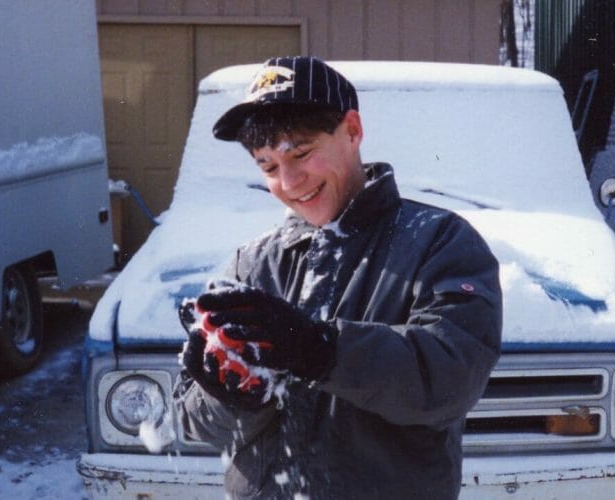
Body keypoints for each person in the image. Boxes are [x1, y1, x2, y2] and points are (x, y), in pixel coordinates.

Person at [174, 56, 502, 500]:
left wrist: (321, 350)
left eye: (301, 153)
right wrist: (231, 394)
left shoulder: (438, 242)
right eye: (268, 167)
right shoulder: (251, 265)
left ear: (352, 130)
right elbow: (196, 424)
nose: (288, 182)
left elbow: (450, 378)